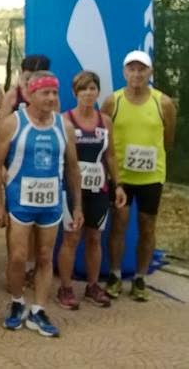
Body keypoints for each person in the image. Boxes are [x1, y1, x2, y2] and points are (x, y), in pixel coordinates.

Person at [0, 71, 83, 338]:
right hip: (20, 201)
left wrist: (77, 206)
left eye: (55, 93)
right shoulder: (13, 123)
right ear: (30, 95)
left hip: (51, 203)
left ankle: (39, 310)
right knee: (18, 257)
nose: (51, 98)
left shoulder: (64, 126)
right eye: (45, 93)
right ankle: (17, 302)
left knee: (44, 256)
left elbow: (73, 169)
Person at [102, 50, 176, 301]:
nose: (136, 74)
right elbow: (104, 137)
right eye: (132, 69)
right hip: (120, 177)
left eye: (141, 69)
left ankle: (140, 278)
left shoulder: (163, 103)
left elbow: (168, 140)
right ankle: (114, 275)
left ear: (150, 72)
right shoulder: (112, 102)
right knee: (118, 225)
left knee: (147, 226)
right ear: (124, 72)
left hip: (151, 178)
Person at [56, 71, 127, 309]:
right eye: (83, 89)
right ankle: (65, 288)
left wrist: (118, 185)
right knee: (71, 237)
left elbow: (111, 156)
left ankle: (93, 285)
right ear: (75, 92)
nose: (88, 93)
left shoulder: (105, 121)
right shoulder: (65, 120)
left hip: (98, 188)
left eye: (92, 88)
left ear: (98, 92)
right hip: (72, 189)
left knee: (94, 238)